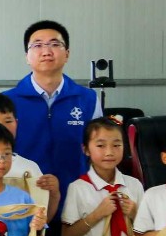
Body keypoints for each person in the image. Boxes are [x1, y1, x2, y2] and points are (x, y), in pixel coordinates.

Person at [6, 20, 102, 206]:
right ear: (27, 56)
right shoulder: (8, 101)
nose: (46, 51)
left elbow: (98, 151)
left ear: (67, 54)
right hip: (23, 199)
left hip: (76, 197)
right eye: (37, 45)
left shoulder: (88, 99)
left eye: (55, 44)